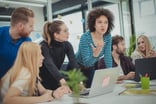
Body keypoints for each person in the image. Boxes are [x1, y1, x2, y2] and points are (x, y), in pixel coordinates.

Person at [0, 42, 68, 104]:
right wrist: (41, 98)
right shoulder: (25, 73)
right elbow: (8, 100)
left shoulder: (30, 71)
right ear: (31, 57)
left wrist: (55, 92)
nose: (43, 57)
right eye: (40, 55)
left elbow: (42, 91)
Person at [76, 7, 114, 88]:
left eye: (106, 22)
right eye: (99, 22)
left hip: (91, 66)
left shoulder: (107, 36)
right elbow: (86, 62)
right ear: (94, 24)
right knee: (78, 93)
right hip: (77, 67)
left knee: (92, 89)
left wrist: (110, 74)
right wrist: (95, 55)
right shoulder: (85, 37)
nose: (103, 25)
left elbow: (108, 56)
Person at [39, 20, 78, 90]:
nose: (68, 33)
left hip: (56, 78)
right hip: (43, 80)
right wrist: (63, 82)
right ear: (56, 34)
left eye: (67, 30)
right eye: (65, 31)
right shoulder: (44, 46)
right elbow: (49, 64)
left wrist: (78, 81)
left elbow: (73, 62)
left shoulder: (67, 45)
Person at [0, 7, 34, 80]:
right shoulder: (1, 34)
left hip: (15, 84)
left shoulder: (27, 41)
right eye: (30, 26)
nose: (32, 29)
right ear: (20, 26)